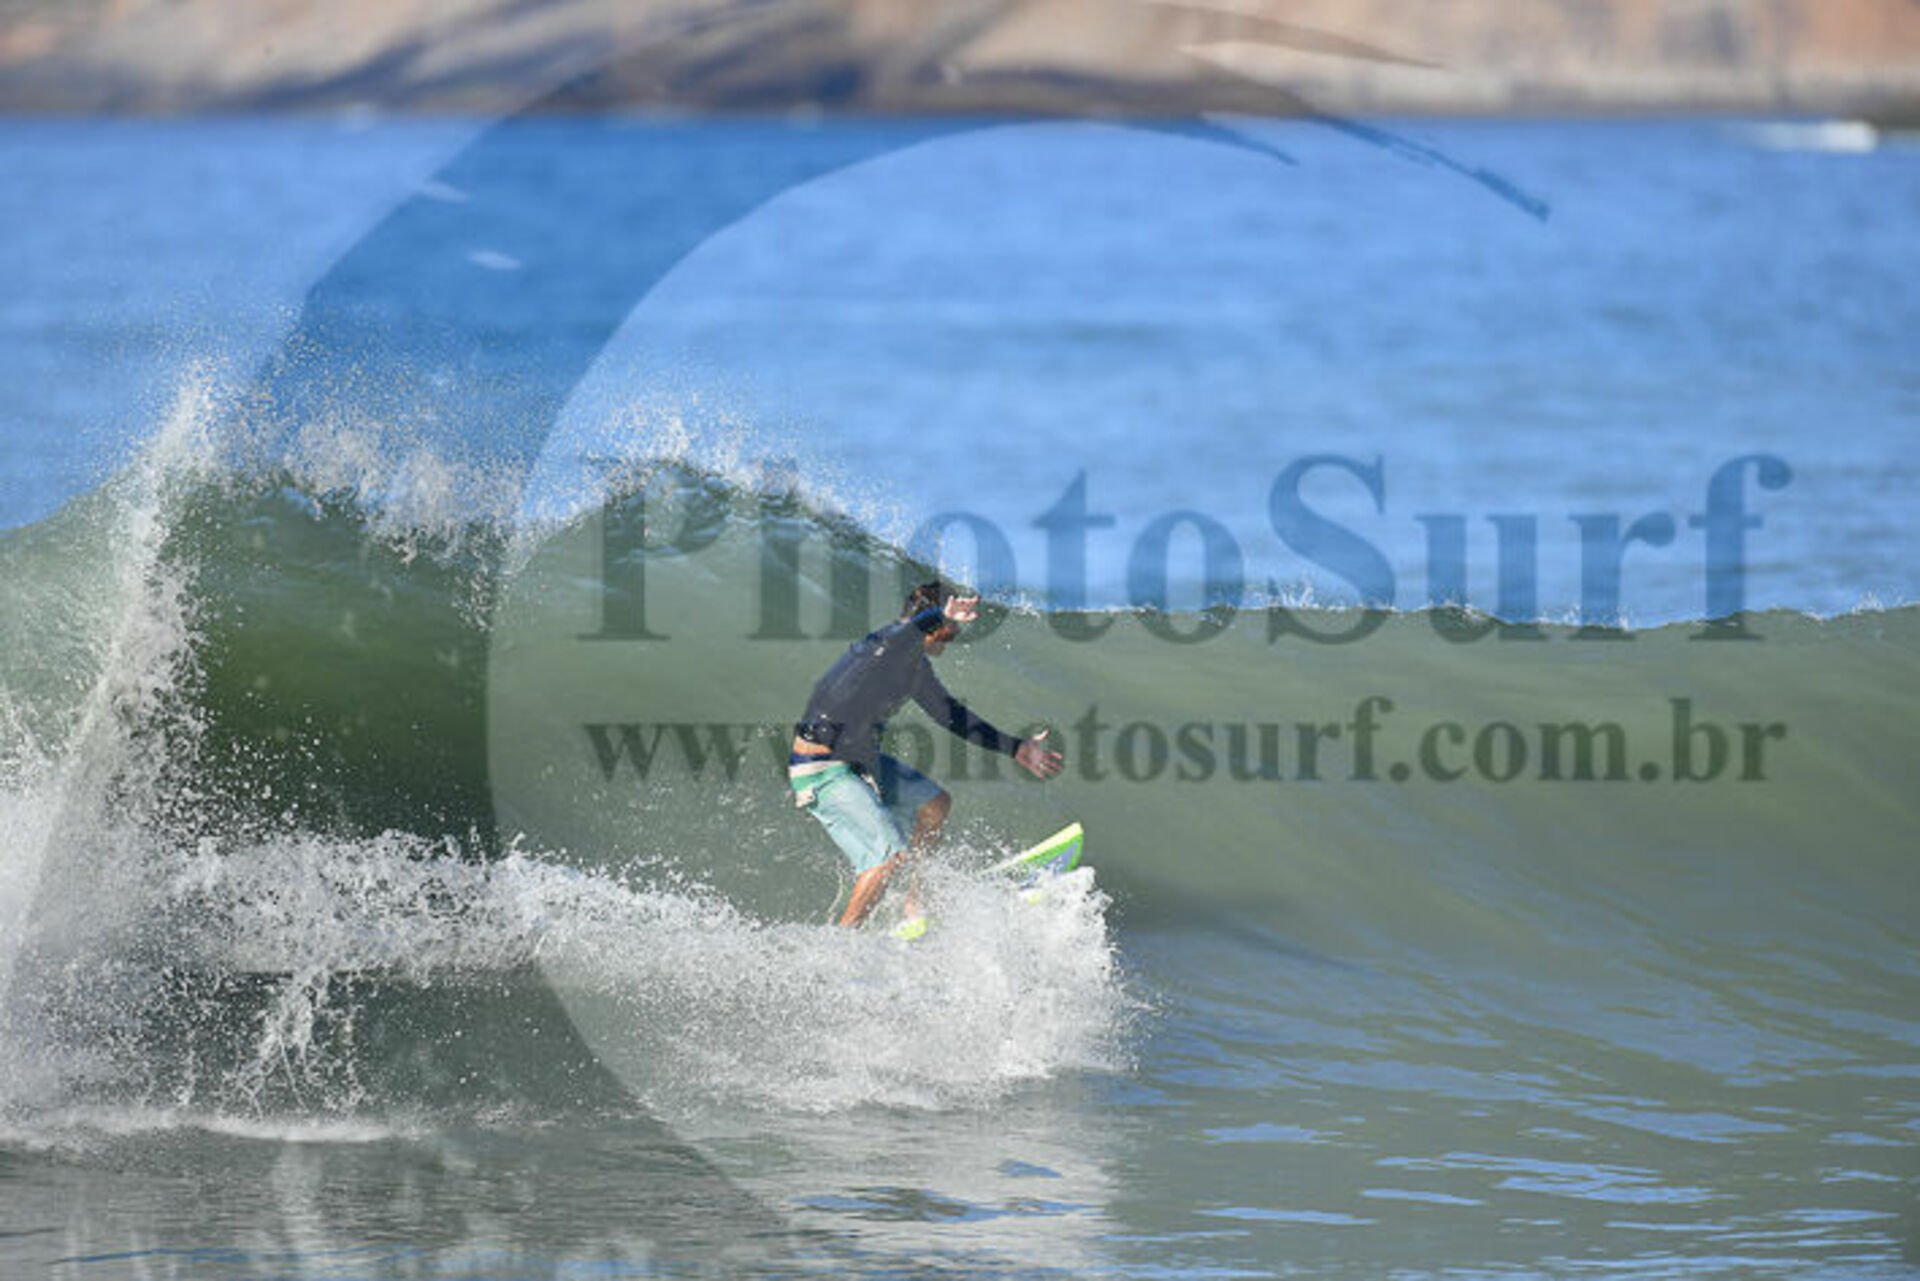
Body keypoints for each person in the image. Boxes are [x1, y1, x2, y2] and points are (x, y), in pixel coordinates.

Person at [789, 581, 1064, 928]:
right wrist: (938, 615)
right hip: (823, 769)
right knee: (886, 859)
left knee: (935, 805)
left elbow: (952, 717)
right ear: (933, 623)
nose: (955, 635)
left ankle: (915, 904)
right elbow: (904, 632)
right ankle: (842, 942)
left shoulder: (914, 667)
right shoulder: (883, 646)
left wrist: (1016, 747)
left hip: (861, 763)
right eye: (951, 628)